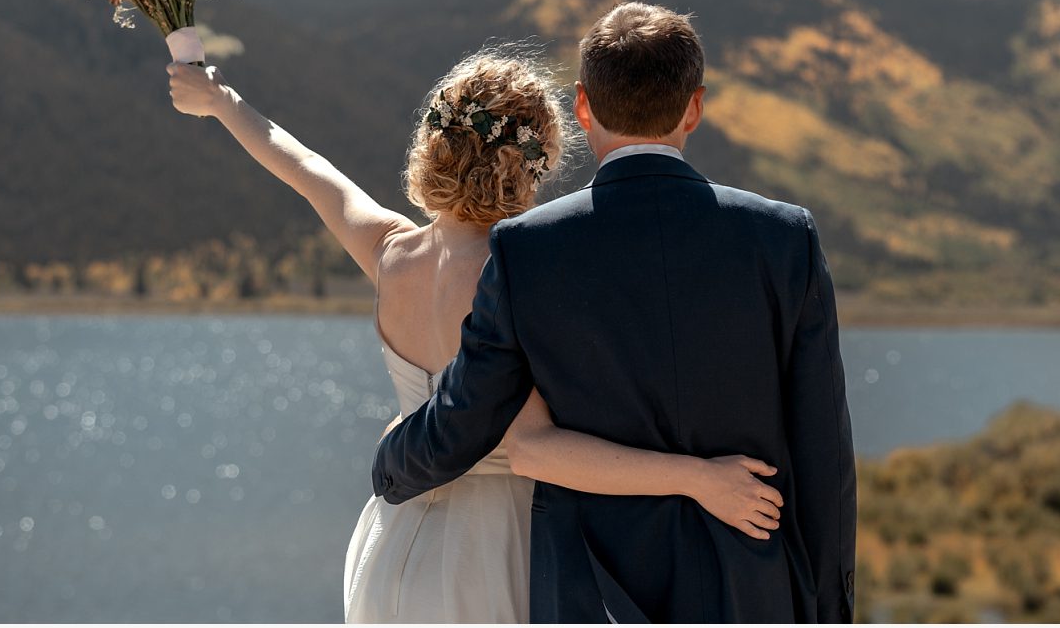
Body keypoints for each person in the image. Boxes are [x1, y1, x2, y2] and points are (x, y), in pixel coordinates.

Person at [166, 46, 785, 623]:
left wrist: (221, 101)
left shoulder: (390, 250)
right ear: (533, 161)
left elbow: (306, 169)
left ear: (433, 145)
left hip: (388, 539)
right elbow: (533, 448)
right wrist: (700, 478)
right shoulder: (517, 274)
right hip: (490, 552)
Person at [373, 2, 857, 623]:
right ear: (695, 107)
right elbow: (824, 449)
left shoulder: (525, 249)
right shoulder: (784, 237)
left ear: (582, 107)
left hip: (590, 591)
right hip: (753, 586)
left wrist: (389, 465)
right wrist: (829, 609)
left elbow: (465, 418)